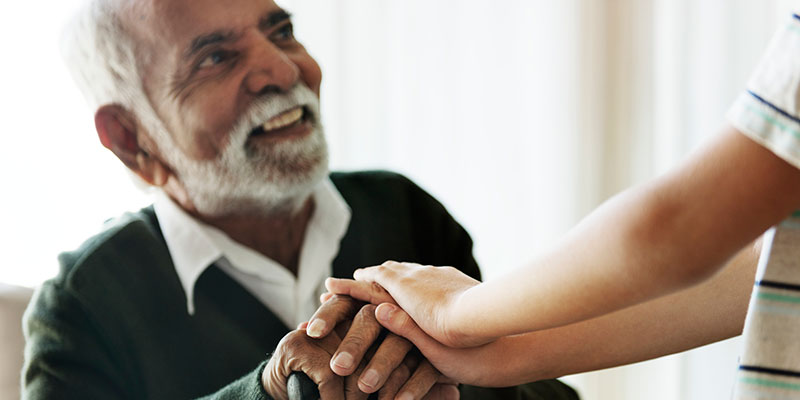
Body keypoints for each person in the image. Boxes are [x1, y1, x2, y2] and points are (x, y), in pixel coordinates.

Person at [22, 0, 580, 399]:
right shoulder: (83, 304)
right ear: (130, 137)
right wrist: (268, 393)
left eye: (282, 30)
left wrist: (448, 372)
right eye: (215, 57)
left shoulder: (404, 210)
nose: (285, 70)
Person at [323, 10, 800, 388]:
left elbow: (679, 230)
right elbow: (766, 262)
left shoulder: (400, 206)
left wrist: (458, 312)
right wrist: (500, 356)